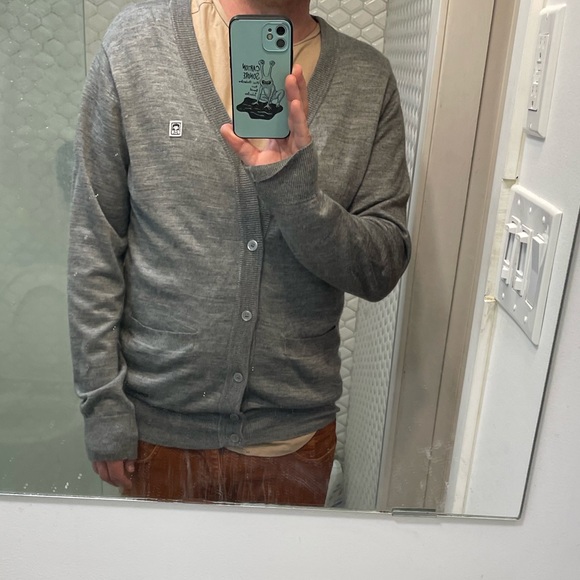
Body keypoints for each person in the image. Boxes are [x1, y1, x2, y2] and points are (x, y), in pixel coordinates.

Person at [67, 0, 411, 507]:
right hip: (154, 433)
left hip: (292, 442)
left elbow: (380, 268)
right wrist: (102, 406)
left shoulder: (368, 79)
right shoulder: (137, 45)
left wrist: (297, 194)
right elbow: (94, 241)